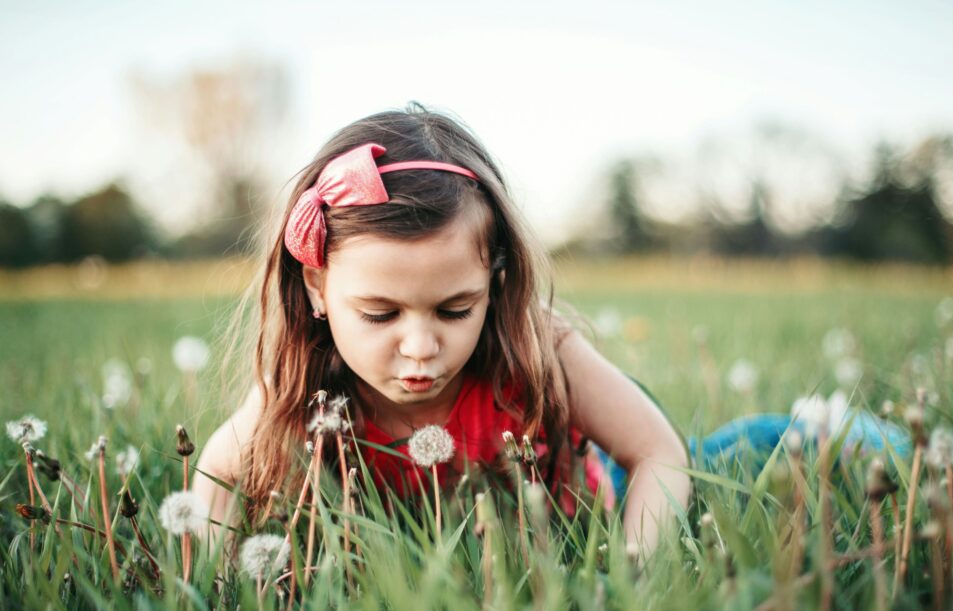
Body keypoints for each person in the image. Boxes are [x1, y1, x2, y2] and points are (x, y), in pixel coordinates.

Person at [193, 103, 690, 559]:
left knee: (753, 444)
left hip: (593, 482)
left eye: (455, 311)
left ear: (494, 284)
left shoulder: (535, 342)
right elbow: (218, 476)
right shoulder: (301, 383)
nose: (421, 348)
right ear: (318, 287)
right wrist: (218, 586)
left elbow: (657, 451)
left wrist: (634, 574)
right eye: (380, 315)